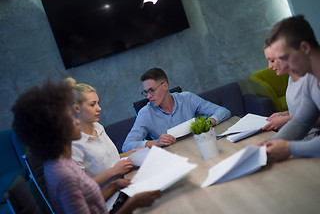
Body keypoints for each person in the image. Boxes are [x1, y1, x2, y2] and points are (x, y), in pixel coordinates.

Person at [11, 80, 161, 213]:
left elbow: (90, 200)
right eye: (69, 119)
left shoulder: (63, 162)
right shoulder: (64, 177)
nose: (76, 122)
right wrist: (135, 203)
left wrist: (114, 185)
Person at [65, 77, 140, 213]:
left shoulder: (97, 126)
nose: (99, 108)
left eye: (98, 103)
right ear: (77, 108)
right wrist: (115, 170)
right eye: (93, 104)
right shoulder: (72, 145)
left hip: (125, 187)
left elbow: (107, 158)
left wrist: (131, 153)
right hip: (109, 203)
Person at [257, 15, 320, 161]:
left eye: (285, 58)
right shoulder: (311, 80)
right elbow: (301, 121)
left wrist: (288, 148)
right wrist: (269, 144)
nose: (283, 66)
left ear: (304, 48)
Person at [122, 68, 231, 152]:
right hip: (173, 159)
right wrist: (155, 142)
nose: (148, 96)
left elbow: (224, 111)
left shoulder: (187, 98)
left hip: (198, 148)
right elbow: (127, 146)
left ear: (165, 86)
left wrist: (208, 123)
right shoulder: (145, 114)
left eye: (151, 90)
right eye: (146, 92)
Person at [261, 45, 320, 139]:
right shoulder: (292, 77)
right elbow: (309, 110)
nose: (269, 66)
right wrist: (286, 114)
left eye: (272, 61)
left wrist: (288, 120)